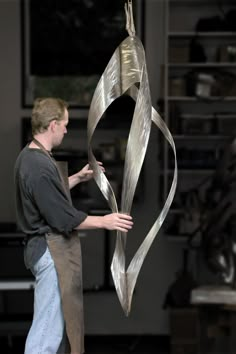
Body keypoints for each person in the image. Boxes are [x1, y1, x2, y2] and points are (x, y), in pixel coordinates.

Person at [14, 97, 133, 354]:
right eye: (65, 125)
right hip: (49, 253)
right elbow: (62, 217)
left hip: (47, 251)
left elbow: (47, 195)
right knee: (46, 332)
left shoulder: (33, 156)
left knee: (52, 329)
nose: (67, 130)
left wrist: (78, 177)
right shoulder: (37, 165)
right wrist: (104, 221)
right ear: (53, 125)